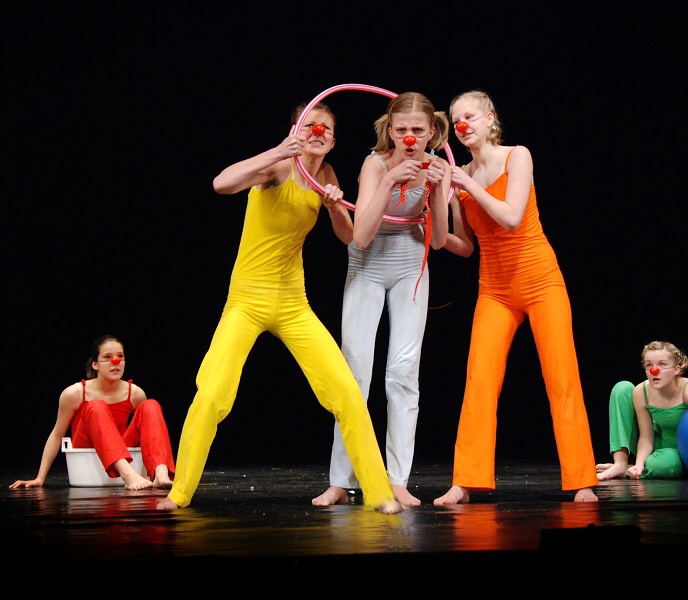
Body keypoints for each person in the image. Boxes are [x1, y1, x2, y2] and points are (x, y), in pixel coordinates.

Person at [156, 102, 402, 514]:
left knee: (346, 392)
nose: (318, 132)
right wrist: (278, 150)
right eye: (310, 125)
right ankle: (179, 494)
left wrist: (334, 205)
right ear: (295, 130)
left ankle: (379, 494)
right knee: (212, 393)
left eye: (325, 128)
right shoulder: (277, 167)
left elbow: (349, 237)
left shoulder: (325, 174)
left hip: (292, 303)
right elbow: (221, 184)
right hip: (247, 300)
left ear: (333, 141)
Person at [433, 90, 599, 504]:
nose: (462, 125)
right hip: (494, 288)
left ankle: (581, 480)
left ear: (490, 118)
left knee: (561, 377)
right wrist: (436, 210)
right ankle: (465, 481)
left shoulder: (517, 156)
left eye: (470, 116)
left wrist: (466, 185)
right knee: (480, 380)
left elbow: (510, 217)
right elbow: (462, 246)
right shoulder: (460, 175)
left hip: (540, 279)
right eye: (456, 120)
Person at [312, 92, 451, 508]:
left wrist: (436, 186)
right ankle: (341, 479)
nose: (410, 138)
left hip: (411, 264)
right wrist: (391, 180)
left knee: (403, 372)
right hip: (368, 264)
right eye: (402, 129)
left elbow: (440, 240)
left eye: (418, 130)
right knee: (354, 371)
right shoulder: (374, 164)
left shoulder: (437, 168)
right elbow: (360, 236)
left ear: (431, 132)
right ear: (390, 130)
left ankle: (397, 479)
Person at [10, 335, 175, 491]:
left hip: (120, 448)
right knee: (96, 406)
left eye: (120, 356)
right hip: (86, 445)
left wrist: (145, 475)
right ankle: (128, 475)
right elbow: (57, 434)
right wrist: (39, 478)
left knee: (151, 405)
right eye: (107, 357)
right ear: (95, 364)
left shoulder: (135, 393)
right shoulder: (74, 393)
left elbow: (148, 434)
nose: (116, 362)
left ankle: (160, 474)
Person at [596, 340, 688, 483]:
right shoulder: (642, 391)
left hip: (679, 453)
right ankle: (620, 464)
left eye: (662, 364)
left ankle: (629, 471)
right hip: (653, 446)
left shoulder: (687, 388)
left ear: (676, 369)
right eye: (649, 365)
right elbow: (646, 437)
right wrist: (639, 463)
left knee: (662, 465)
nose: (654, 370)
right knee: (622, 388)